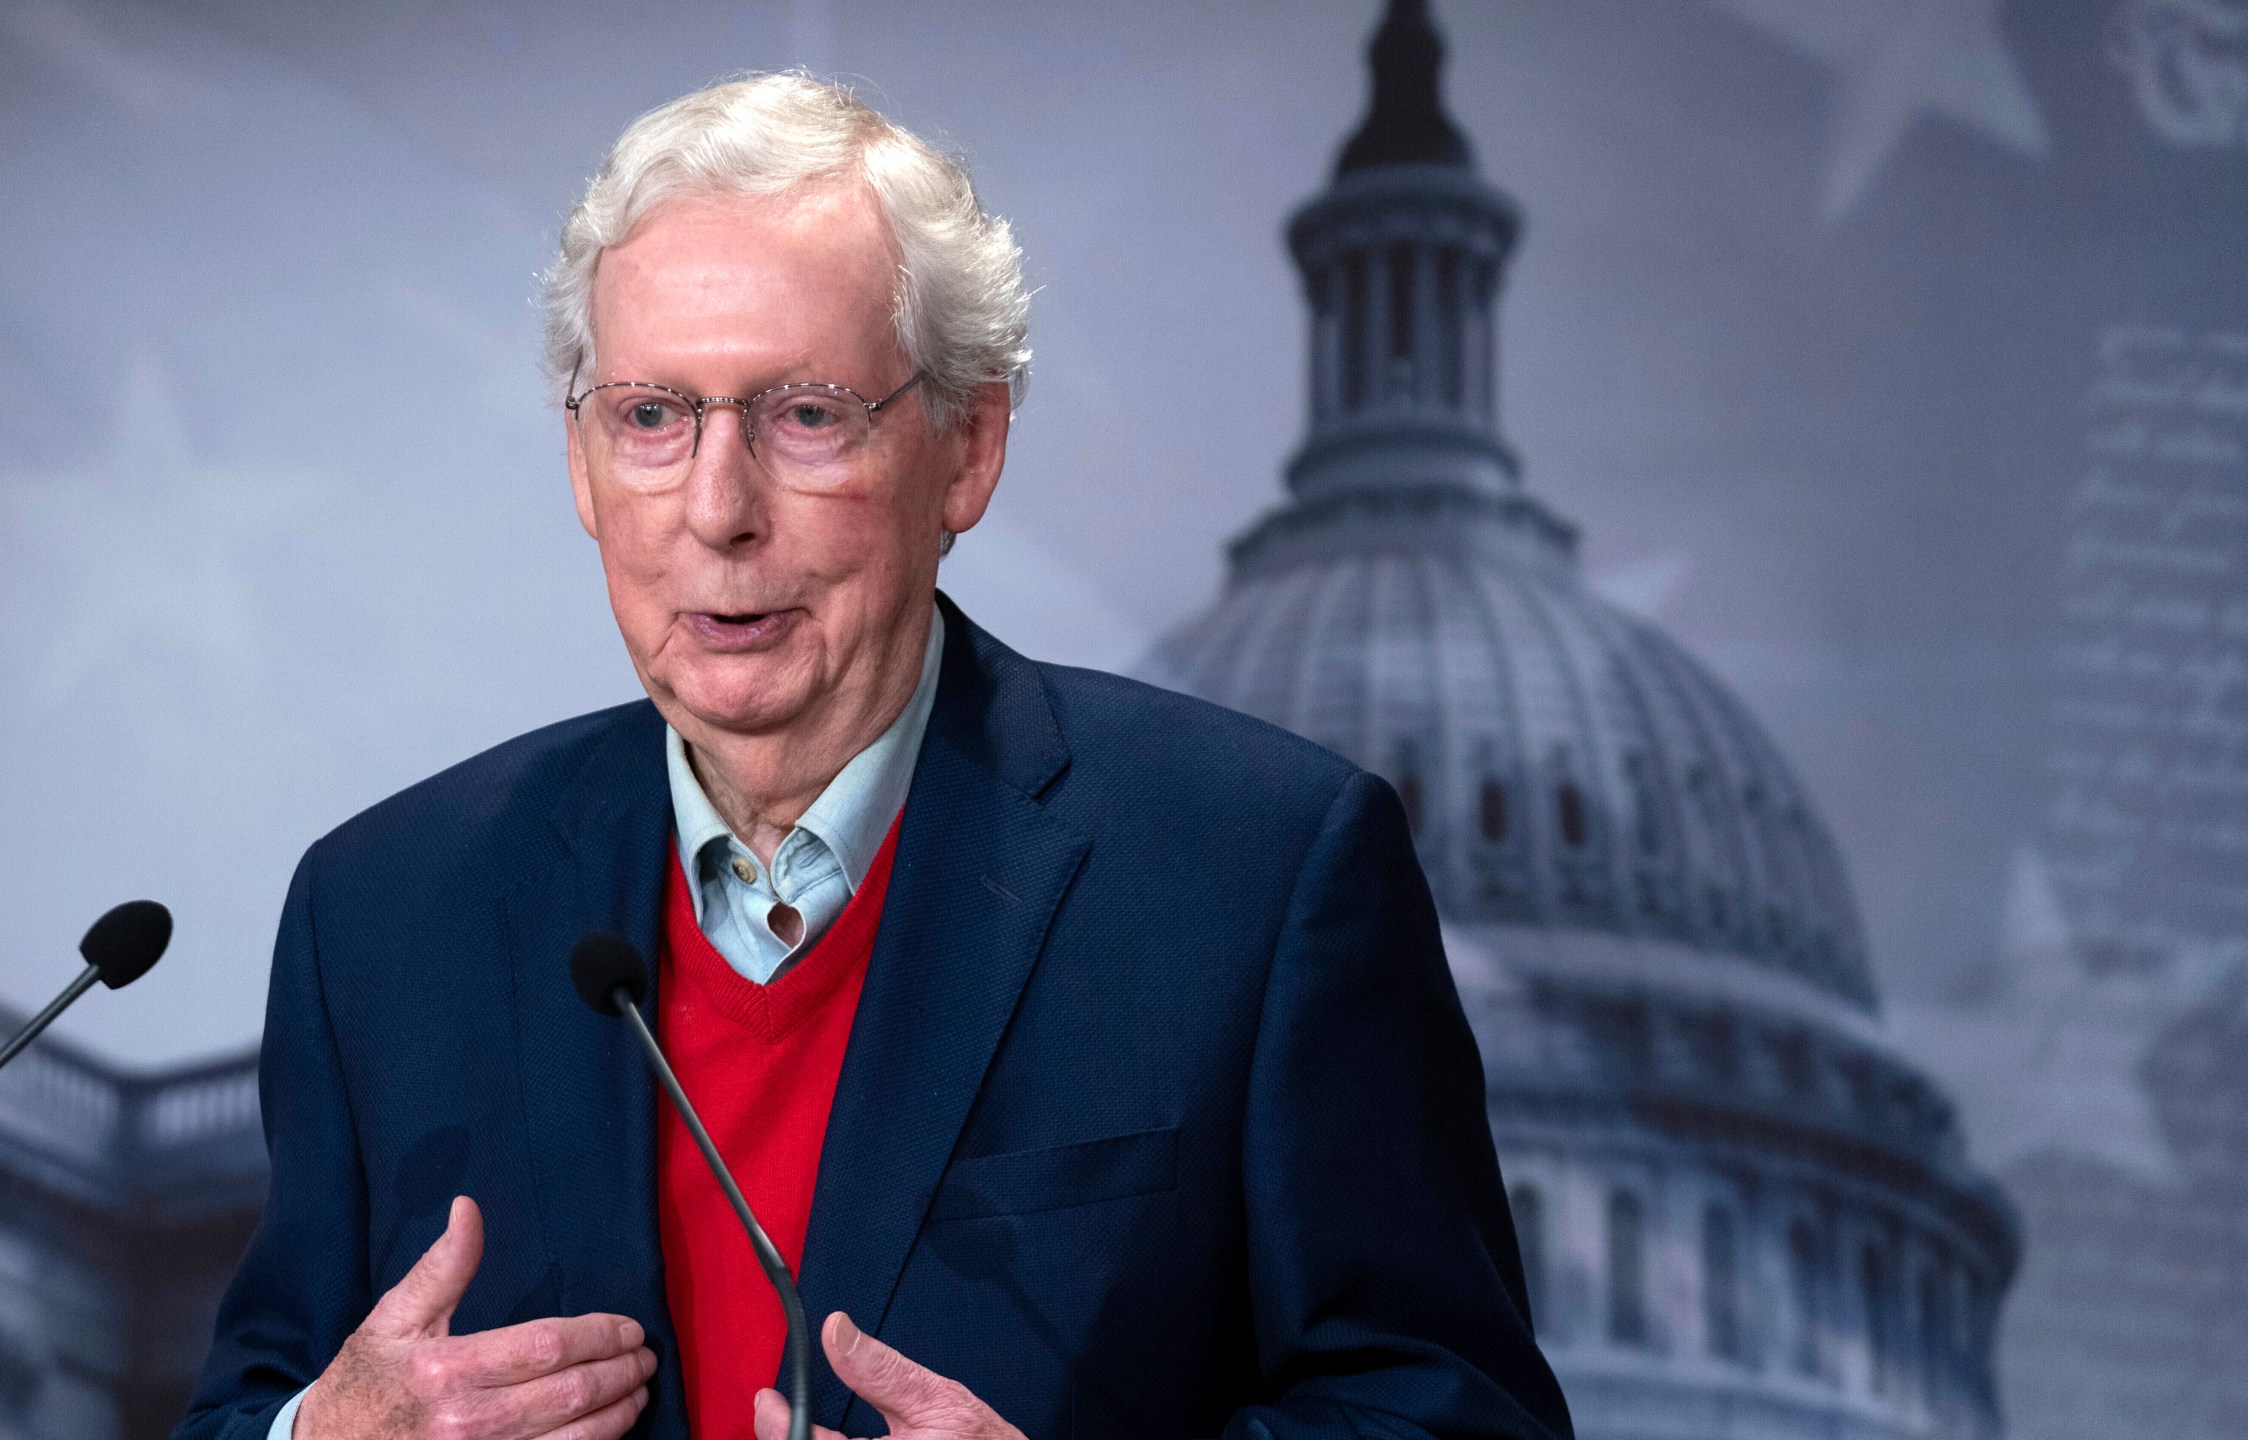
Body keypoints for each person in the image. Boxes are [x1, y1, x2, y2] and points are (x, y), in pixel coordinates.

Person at [174, 73, 1569, 1440]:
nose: (719, 511)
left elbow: (1456, 1415)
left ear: (968, 449)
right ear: (584, 468)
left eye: (806, 415)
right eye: (653, 418)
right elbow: (246, 1404)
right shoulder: (384, 914)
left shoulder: (1260, 874)